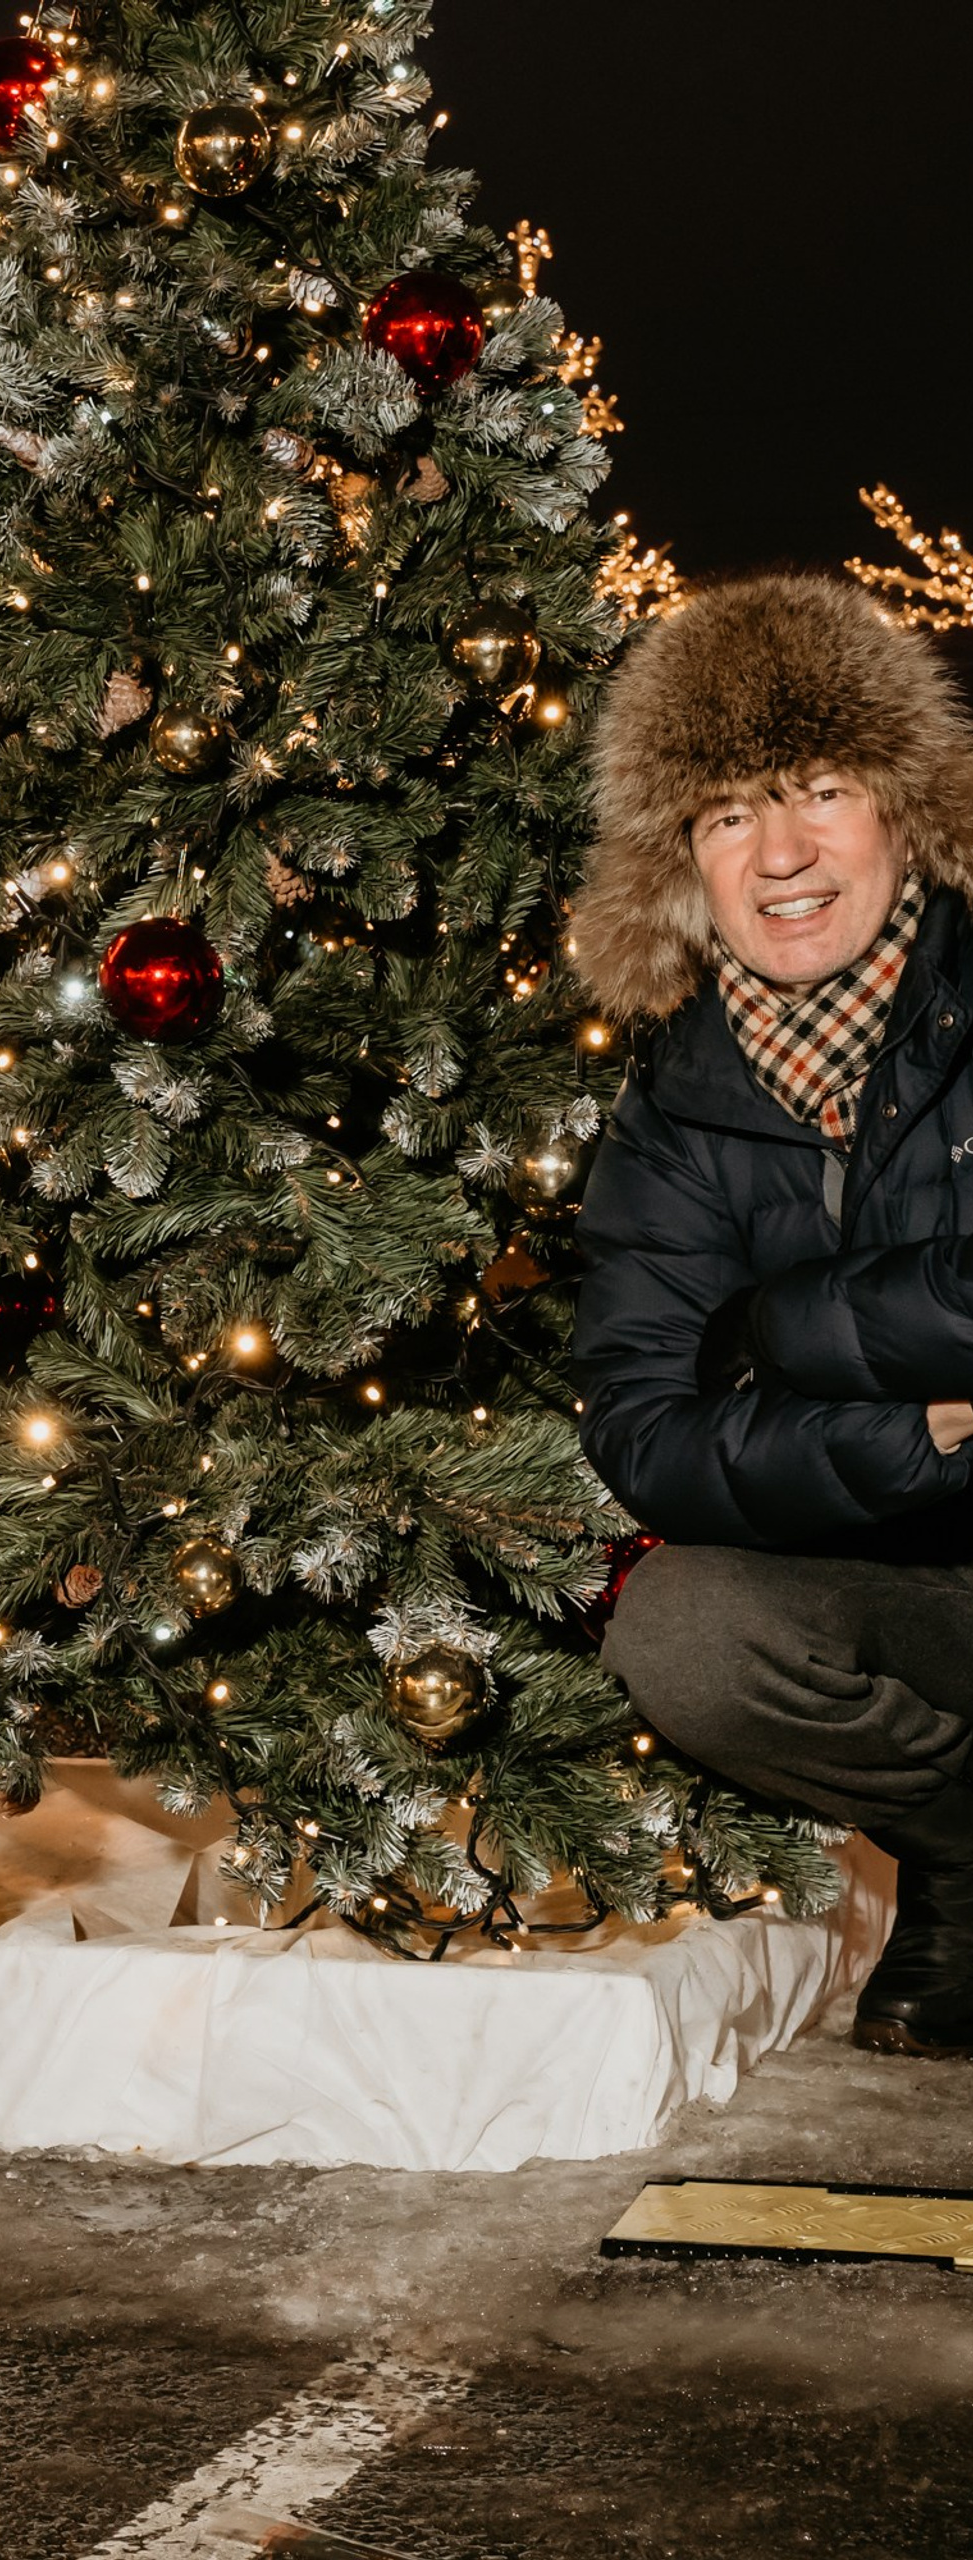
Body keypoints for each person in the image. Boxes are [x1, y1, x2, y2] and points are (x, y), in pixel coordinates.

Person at [570, 572, 973, 2060]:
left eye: (819, 790)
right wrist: (921, 1436)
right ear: (685, 860)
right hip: (897, 1594)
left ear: (904, 808)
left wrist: (787, 1330)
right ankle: (964, 1851)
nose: (784, 852)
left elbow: (727, 1373)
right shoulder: (676, 1101)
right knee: (682, 1633)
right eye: (732, 812)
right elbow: (647, 1428)